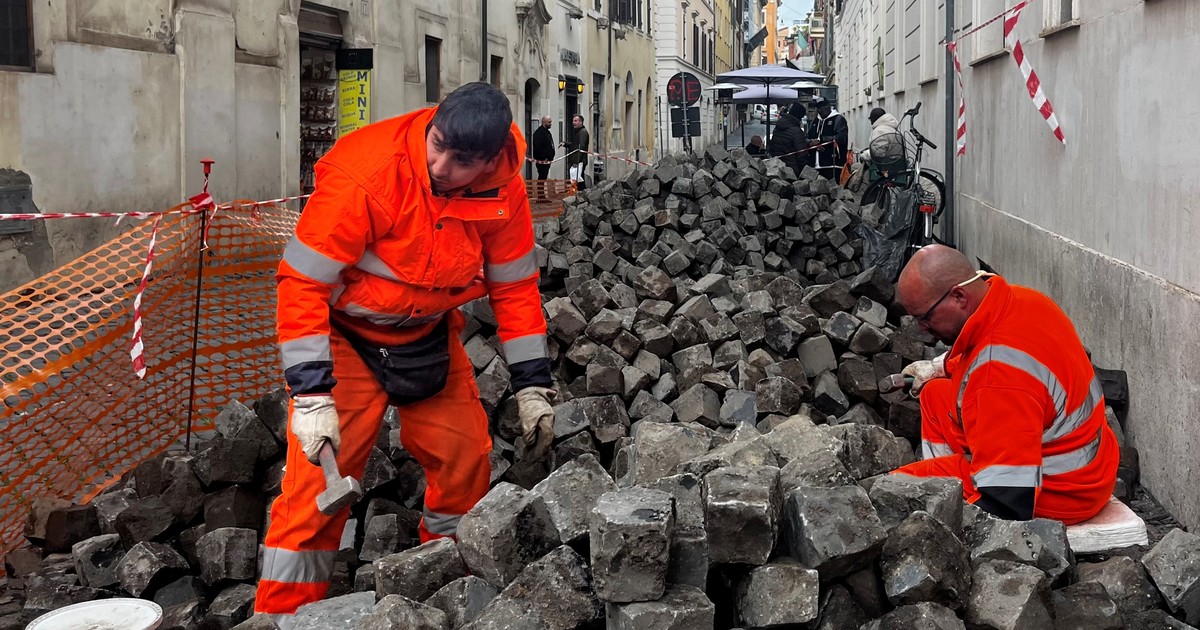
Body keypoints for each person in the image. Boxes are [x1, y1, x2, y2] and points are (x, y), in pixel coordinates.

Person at [256, 82, 556, 622]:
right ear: (432, 124)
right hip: (346, 337)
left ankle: (444, 587)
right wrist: (312, 395)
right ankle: (282, 617)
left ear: (491, 160)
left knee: (466, 461)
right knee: (313, 493)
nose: (440, 166)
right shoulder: (366, 171)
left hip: (426, 334)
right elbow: (302, 284)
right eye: (437, 146)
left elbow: (514, 287)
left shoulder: (504, 189)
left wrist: (533, 385)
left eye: (461, 161)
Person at [891, 245, 1118, 524]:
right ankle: (963, 473)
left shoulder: (996, 379)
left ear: (959, 296)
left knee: (897, 488)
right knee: (934, 394)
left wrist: (948, 503)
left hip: (1061, 489)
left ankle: (949, 502)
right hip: (1093, 465)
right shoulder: (1021, 299)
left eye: (925, 318)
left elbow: (1009, 502)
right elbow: (993, 352)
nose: (921, 329)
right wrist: (941, 367)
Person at [806, 96, 849, 181]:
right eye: (819, 107)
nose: (822, 109)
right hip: (814, 165)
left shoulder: (838, 119)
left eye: (824, 106)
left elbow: (841, 138)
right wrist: (810, 143)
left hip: (833, 165)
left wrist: (821, 141)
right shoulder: (815, 121)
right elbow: (807, 137)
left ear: (829, 105)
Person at [768, 102, 808, 176]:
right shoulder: (796, 131)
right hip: (792, 170)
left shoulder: (778, 126)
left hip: (777, 167)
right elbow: (802, 154)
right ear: (799, 116)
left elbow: (773, 145)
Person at [564, 114, 590, 189]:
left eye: (575, 121)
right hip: (577, 161)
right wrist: (565, 144)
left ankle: (582, 193)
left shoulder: (582, 132)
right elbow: (575, 145)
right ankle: (580, 193)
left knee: (578, 180)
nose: (573, 123)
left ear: (581, 122)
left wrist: (577, 161)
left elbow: (581, 147)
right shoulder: (578, 132)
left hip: (579, 162)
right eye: (573, 121)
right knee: (577, 180)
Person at [531, 115, 555, 180]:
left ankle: (541, 187)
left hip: (547, 160)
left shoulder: (547, 132)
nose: (551, 124)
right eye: (549, 122)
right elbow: (538, 148)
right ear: (544, 122)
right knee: (542, 177)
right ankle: (540, 187)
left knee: (543, 177)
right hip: (542, 161)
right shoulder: (539, 133)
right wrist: (544, 158)